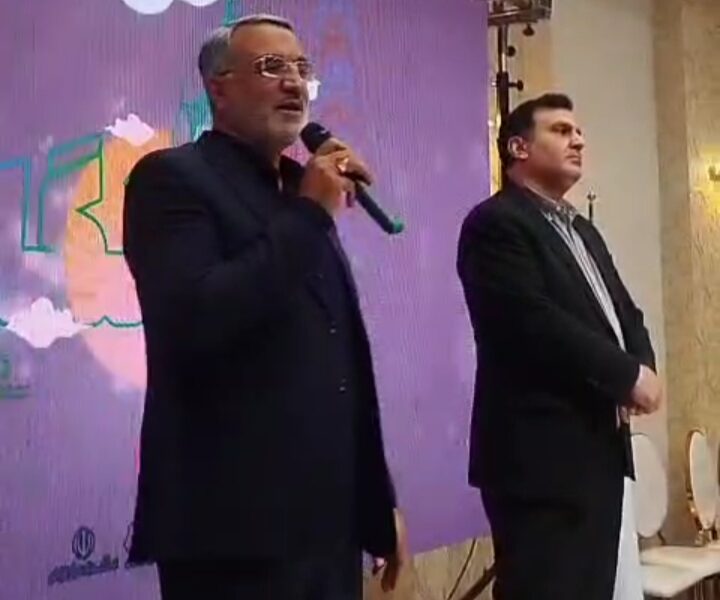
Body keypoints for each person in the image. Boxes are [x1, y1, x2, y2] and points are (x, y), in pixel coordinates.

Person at [122, 14, 407, 600]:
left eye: (302, 68)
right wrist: (309, 215)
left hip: (328, 527)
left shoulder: (300, 190)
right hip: (233, 534)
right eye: (271, 67)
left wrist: (378, 506)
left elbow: (338, 365)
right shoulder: (171, 179)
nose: (294, 83)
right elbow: (197, 318)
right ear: (219, 89)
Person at [457, 93, 662, 600]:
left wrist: (644, 367)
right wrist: (624, 376)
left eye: (579, 131)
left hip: (598, 452)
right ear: (518, 147)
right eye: (561, 130)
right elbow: (533, 323)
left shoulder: (582, 230)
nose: (579, 140)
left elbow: (624, 313)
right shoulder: (495, 223)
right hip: (540, 460)